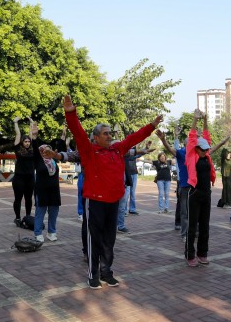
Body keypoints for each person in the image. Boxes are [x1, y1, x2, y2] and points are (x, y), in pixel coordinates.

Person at [63, 95, 162, 288]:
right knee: (95, 239)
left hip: (113, 201)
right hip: (95, 201)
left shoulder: (117, 149)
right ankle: (93, 275)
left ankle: (106, 272)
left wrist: (151, 126)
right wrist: (70, 113)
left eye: (110, 133)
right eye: (106, 133)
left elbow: (135, 138)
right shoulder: (89, 150)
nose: (110, 136)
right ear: (96, 137)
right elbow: (78, 132)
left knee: (110, 239)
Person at [184, 109, 216, 266]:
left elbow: (207, 136)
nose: (205, 151)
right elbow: (191, 138)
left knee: (205, 225)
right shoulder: (191, 155)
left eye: (206, 149)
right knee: (192, 227)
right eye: (202, 149)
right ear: (196, 148)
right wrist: (195, 119)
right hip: (194, 193)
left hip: (206, 193)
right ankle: (190, 256)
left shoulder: (207, 156)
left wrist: (205, 120)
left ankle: (202, 253)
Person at [32, 122, 62, 243]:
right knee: (40, 212)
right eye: (45, 151)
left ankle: (51, 232)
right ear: (41, 152)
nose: (47, 153)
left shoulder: (54, 161)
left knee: (54, 212)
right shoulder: (38, 160)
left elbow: (60, 145)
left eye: (49, 151)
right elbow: (34, 148)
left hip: (54, 191)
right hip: (42, 190)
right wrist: (34, 136)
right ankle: (38, 233)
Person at [12, 117, 36, 226]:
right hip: (19, 178)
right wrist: (16, 122)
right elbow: (18, 134)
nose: (27, 143)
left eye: (28, 142)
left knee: (28, 199)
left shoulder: (32, 150)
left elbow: (32, 135)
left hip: (30, 177)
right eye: (25, 141)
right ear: (22, 142)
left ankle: (27, 217)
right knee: (18, 198)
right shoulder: (18, 149)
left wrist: (32, 123)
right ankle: (17, 218)